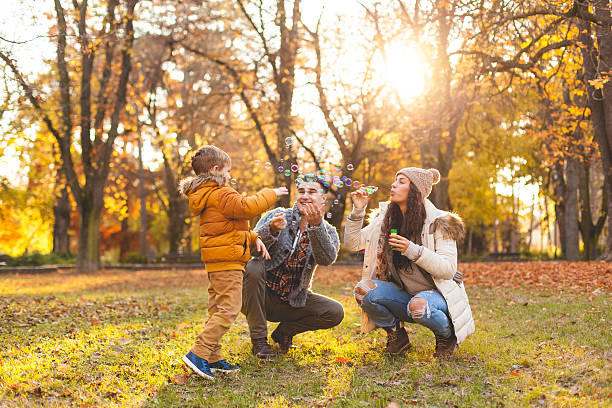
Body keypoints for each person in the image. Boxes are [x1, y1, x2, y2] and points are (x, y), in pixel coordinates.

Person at [178, 145, 288, 379]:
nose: (230, 176)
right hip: (228, 262)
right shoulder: (222, 193)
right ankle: (198, 353)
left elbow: (224, 230)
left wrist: (253, 237)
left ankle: (213, 357)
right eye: (228, 170)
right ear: (216, 169)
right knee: (229, 308)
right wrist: (272, 193)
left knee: (217, 308)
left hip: (217, 261)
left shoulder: (207, 195)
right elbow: (247, 208)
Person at [344, 167, 474, 357]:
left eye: (402, 181)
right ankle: (397, 336)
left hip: (438, 296)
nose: (394, 185)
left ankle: (446, 336)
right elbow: (352, 243)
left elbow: (447, 269)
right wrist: (358, 210)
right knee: (363, 290)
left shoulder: (440, 222)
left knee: (418, 306)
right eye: (395, 181)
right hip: (404, 294)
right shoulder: (386, 220)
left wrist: (411, 250)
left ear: (415, 191)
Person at [242, 177, 344, 358]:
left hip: (292, 300)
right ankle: (259, 341)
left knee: (335, 312)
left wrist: (316, 226)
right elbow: (251, 250)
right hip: (259, 296)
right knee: (254, 265)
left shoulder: (328, 230)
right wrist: (271, 230)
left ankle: (284, 333)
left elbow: (326, 259)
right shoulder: (277, 215)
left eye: (312, 192)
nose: (305, 196)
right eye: (302, 191)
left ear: (323, 199)